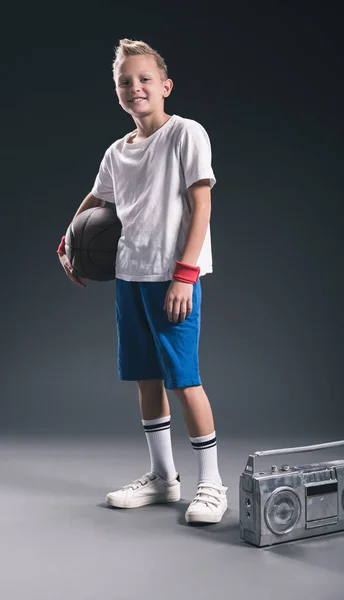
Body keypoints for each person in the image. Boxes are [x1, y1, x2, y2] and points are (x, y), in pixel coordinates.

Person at [57, 39, 227, 524]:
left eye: (145, 79)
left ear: (165, 86)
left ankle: (211, 483)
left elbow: (202, 206)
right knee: (145, 378)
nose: (136, 88)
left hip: (173, 278)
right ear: (117, 93)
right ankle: (163, 477)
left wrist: (185, 275)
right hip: (129, 276)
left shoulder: (186, 134)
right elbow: (95, 200)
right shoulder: (117, 151)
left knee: (184, 379)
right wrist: (66, 244)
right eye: (125, 82)